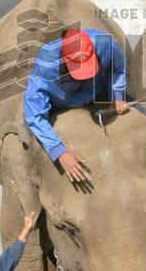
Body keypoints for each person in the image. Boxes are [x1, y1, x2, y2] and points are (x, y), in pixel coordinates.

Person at [23, 26, 128, 182]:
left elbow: (118, 68)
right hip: (60, 101)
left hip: (95, 89)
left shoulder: (105, 43)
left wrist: (117, 94)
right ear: (65, 59)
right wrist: (59, 152)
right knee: (27, 142)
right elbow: (34, 114)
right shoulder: (46, 67)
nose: (85, 74)